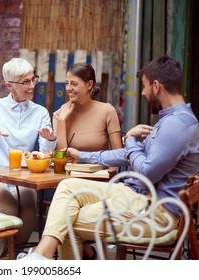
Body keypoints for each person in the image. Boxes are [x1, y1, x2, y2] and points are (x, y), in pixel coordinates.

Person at [18, 55, 199, 260]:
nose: (143, 92)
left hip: (156, 212)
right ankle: (43, 255)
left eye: (144, 86)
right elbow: (127, 154)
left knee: (65, 220)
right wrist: (84, 156)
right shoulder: (171, 120)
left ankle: (42, 257)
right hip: (136, 196)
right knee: (68, 187)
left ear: (156, 86)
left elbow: (147, 169)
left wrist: (129, 140)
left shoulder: (177, 125)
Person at [0, 57, 56, 258]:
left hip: (22, 177)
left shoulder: (40, 112)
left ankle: (9, 260)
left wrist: (49, 140)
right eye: (25, 82)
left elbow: (44, 154)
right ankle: (9, 261)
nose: (32, 86)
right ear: (9, 85)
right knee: (9, 207)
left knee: (30, 209)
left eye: (33, 79)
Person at [52, 62, 123, 259]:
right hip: (67, 180)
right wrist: (61, 123)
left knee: (65, 213)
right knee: (65, 204)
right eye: (66, 83)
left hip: (99, 181)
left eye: (74, 84)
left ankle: (82, 250)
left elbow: (118, 154)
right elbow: (62, 156)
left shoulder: (106, 111)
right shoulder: (62, 113)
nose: (68, 89)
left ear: (89, 84)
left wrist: (108, 173)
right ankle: (87, 251)